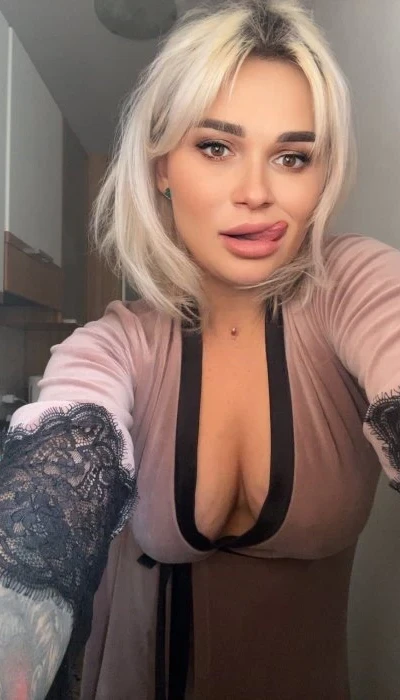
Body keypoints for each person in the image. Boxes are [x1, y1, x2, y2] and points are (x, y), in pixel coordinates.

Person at [0, 0, 399, 697]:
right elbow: (48, 510)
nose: (256, 193)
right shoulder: (115, 343)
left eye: (292, 157)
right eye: (216, 147)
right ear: (162, 165)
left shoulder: (353, 285)